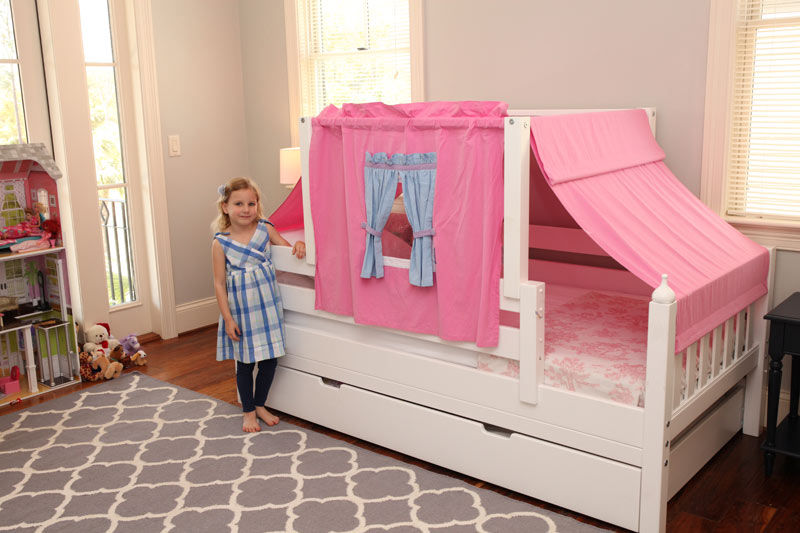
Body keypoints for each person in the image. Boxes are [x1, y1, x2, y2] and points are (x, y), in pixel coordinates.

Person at [211, 177, 306, 433]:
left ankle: (261, 404)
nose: (246, 209)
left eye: (251, 203)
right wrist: (228, 319)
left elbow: (288, 251)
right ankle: (248, 410)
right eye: (239, 203)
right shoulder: (220, 243)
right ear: (225, 207)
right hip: (242, 312)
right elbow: (219, 284)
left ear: (257, 205)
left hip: (267, 308)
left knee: (269, 360)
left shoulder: (265, 229)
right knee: (245, 363)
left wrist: (298, 244)